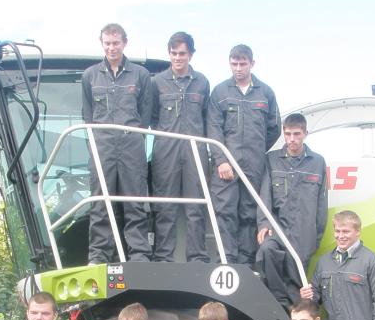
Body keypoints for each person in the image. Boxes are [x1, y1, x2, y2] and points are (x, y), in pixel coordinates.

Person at [82, 23, 153, 264]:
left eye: (116, 43)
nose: (112, 48)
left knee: (134, 200)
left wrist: (133, 136)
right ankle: (99, 255)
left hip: (131, 144)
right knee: (101, 202)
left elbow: (145, 114)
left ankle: (139, 254)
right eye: (107, 43)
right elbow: (88, 115)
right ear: (101, 43)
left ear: (124, 43)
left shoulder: (140, 75)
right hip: (102, 146)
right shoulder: (90, 76)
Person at [207, 44, 281, 265]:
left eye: (242, 64)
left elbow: (274, 128)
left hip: (253, 165)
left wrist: (256, 151)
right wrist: (221, 160)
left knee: (250, 214)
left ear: (252, 64)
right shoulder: (220, 92)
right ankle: (226, 259)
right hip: (226, 165)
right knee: (225, 212)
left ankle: (247, 261)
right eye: (234, 63)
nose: (238, 68)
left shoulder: (265, 93)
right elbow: (213, 128)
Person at [150, 32, 212, 263]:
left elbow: (208, 118)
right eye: (174, 53)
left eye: (182, 53)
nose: (178, 58)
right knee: (165, 206)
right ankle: (163, 256)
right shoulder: (156, 82)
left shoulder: (202, 82)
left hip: (195, 150)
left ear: (191, 54)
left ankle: (196, 256)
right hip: (166, 151)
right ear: (169, 53)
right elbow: (152, 118)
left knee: (195, 207)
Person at [256, 113, 328, 307]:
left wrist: (316, 237)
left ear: (306, 133)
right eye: (288, 134)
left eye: (297, 134)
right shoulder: (271, 159)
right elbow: (265, 196)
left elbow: (322, 205)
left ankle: (296, 317)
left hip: (304, 232)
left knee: (298, 283)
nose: (292, 139)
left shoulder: (318, 162)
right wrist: (264, 223)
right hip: (278, 228)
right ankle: (279, 301)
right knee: (267, 250)